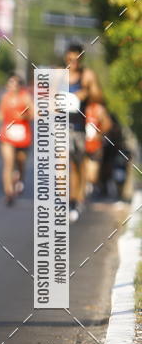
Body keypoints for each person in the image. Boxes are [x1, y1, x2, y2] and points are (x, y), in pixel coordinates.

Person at [64, 43, 102, 222]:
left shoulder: (87, 76)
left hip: (79, 128)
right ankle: (64, 199)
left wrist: (86, 92)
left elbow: (99, 98)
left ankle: (76, 199)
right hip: (60, 127)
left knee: (76, 166)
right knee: (61, 165)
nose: (73, 63)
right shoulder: (58, 75)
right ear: (66, 58)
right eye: (70, 59)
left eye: (77, 60)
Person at [0, 73, 33, 205]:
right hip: (8, 134)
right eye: (11, 83)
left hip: (23, 133)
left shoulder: (25, 97)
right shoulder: (5, 98)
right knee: (9, 163)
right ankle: (9, 192)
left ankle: (20, 179)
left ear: (20, 86)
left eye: (16, 83)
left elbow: (34, 113)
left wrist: (25, 116)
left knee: (21, 161)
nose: (13, 86)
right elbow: (0, 114)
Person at [84, 99, 112, 196]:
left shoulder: (98, 109)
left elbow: (107, 124)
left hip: (94, 145)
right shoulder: (81, 105)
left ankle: (91, 188)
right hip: (81, 144)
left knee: (92, 174)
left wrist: (99, 135)